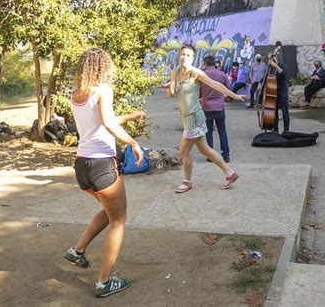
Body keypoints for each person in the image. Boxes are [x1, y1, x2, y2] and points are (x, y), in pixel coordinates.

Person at [65, 48, 146, 298]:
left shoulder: (75, 94)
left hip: (82, 166)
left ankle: (77, 250)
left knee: (110, 210)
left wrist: (130, 116)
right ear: (102, 67)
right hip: (102, 165)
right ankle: (104, 282)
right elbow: (108, 124)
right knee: (118, 220)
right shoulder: (103, 90)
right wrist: (133, 143)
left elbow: (101, 121)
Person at [165, 44, 246, 193]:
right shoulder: (175, 71)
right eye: (183, 54)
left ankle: (187, 181)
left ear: (193, 58)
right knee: (205, 150)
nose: (185, 57)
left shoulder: (196, 73)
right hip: (186, 117)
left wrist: (234, 95)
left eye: (188, 55)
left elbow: (215, 84)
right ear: (179, 55)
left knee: (183, 152)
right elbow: (172, 93)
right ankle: (230, 173)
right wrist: (169, 86)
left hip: (194, 117)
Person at [200, 55, 232, 163]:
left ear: (206, 63)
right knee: (222, 131)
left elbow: (198, 91)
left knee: (208, 132)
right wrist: (222, 96)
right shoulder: (222, 74)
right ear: (214, 63)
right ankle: (226, 155)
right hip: (219, 107)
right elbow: (229, 89)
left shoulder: (202, 75)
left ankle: (210, 156)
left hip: (206, 107)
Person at [267, 53, 290, 134]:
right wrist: (260, 83)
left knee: (285, 111)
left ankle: (286, 129)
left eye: (273, 57)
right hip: (273, 92)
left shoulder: (282, 66)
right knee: (274, 111)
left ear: (276, 57)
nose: (272, 59)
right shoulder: (271, 69)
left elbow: (283, 73)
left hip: (282, 91)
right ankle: (275, 129)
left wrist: (275, 65)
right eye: (271, 58)